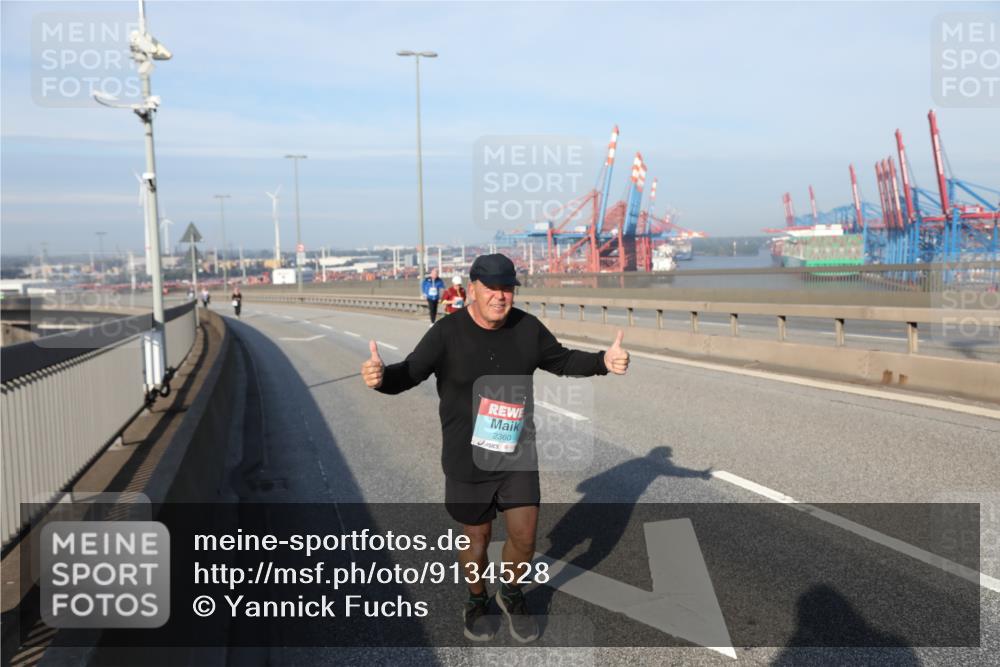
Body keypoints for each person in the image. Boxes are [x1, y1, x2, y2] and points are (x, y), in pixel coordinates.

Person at [361, 253, 629, 643]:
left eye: (508, 289)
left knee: (524, 536)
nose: (501, 297)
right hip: (466, 457)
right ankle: (475, 598)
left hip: (517, 451)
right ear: (472, 289)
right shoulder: (446, 333)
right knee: (477, 538)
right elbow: (410, 373)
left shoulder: (527, 329)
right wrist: (382, 377)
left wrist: (603, 361)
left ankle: (512, 593)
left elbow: (562, 360)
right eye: (492, 288)